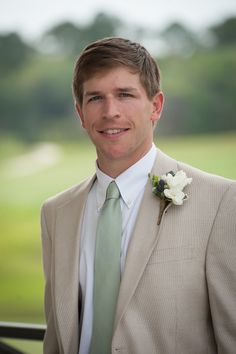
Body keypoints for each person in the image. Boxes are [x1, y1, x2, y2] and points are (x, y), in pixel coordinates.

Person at [40, 37, 236, 354]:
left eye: (125, 95)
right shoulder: (56, 213)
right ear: (80, 113)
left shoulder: (221, 202)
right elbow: (57, 338)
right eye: (95, 99)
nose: (110, 111)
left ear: (155, 106)